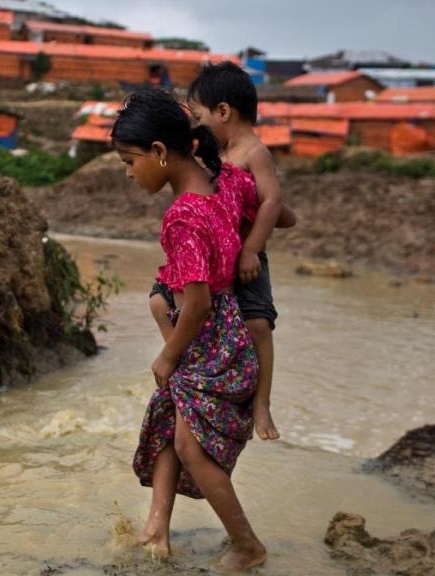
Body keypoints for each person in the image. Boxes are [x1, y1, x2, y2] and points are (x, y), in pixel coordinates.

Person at [113, 89, 267, 571]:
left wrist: (167, 356)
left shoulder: (183, 215)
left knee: (188, 443)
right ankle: (156, 528)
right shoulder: (224, 182)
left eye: (129, 161)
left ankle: (247, 545)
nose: (128, 172)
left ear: (159, 152)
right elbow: (276, 208)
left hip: (210, 344)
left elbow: (196, 304)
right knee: (169, 421)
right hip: (230, 332)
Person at [151, 61, 296, 442]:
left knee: (258, 325)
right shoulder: (219, 156)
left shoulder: (253, 151)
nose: (198, 125)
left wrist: (251, 249)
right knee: (166, 303)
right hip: (217, 259)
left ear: (223, 111)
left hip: (247, 258)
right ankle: (189, 376)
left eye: (199, 116)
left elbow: (271, 204)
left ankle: (261, 403)